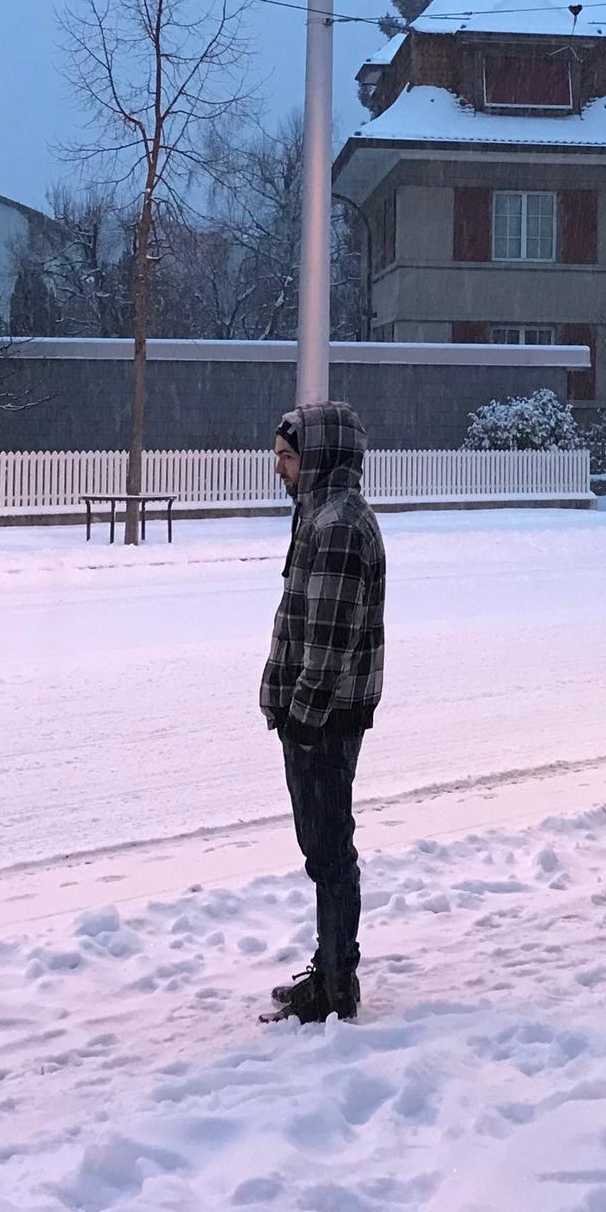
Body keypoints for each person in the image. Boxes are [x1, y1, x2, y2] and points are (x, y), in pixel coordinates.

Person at [259, 401, 385, 1025]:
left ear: (319, 457)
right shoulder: (319, 514)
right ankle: (332, 969)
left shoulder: (336, 525)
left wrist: (303, 715)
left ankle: (337, 986)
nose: (277, 467)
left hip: (324, 718)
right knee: (324, 850)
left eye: (286, 456)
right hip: (316, 713)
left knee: (330, 852)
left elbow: (330, 639)